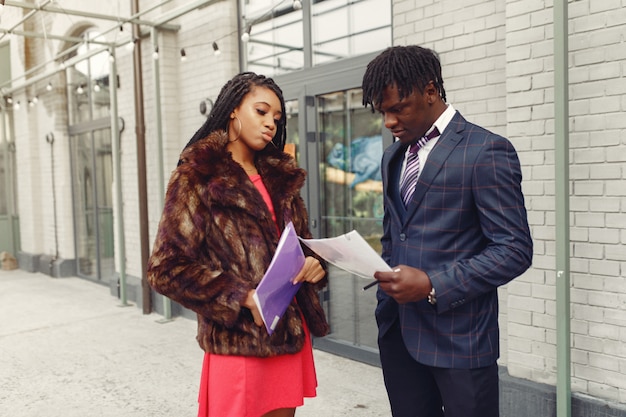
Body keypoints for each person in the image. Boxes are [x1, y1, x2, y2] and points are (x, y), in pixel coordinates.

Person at [362, 45, 533, 417]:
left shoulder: (486, 150)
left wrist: (432, 283)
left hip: (462, 340)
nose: (389, 121)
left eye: (397, 108)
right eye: (382, 112)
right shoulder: (394, 156)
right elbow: (397, 234)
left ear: (430, 91)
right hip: (399, 334)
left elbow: (514, 249)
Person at [147, 72, 330, 417]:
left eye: (276, 118)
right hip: (239, 340)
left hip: (287, 334)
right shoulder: (197, 176)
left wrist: (314, 265)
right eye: (261, 112)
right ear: (233, 110)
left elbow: (298, 246)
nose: (270, 124)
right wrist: (244, 296)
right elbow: (164, 269)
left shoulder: (281, 176)